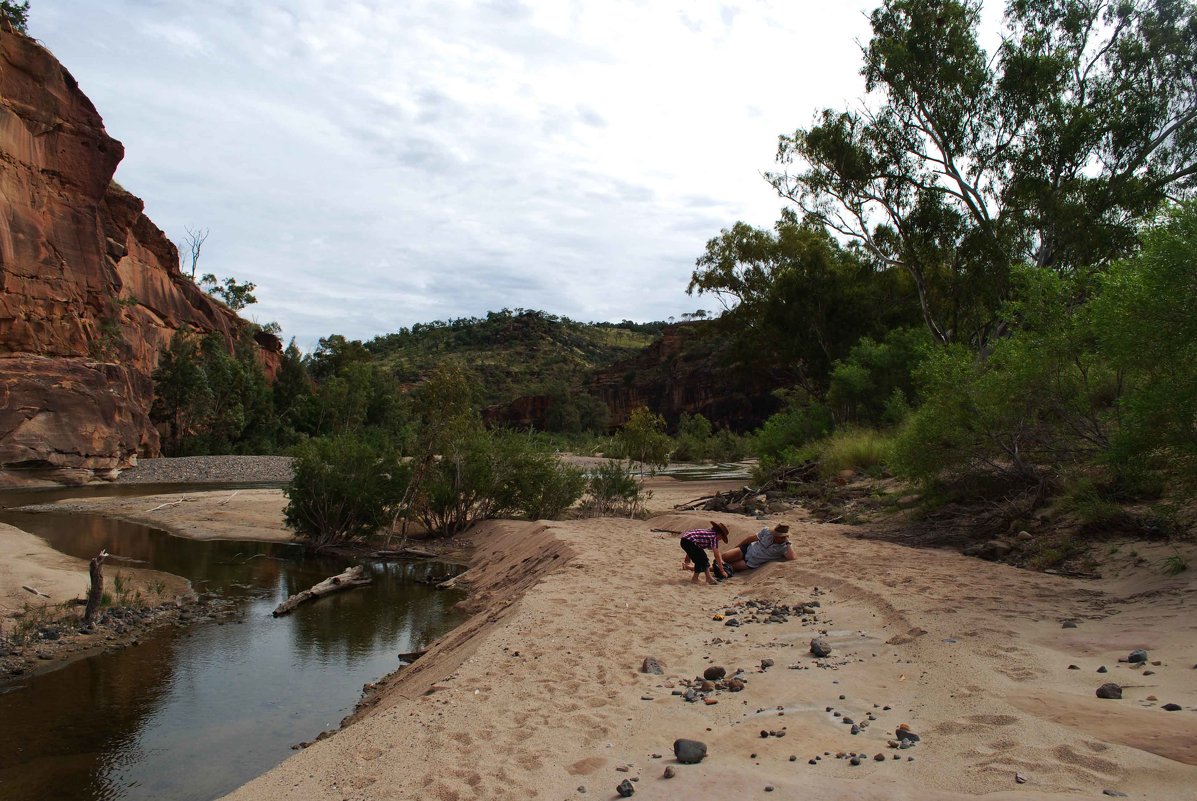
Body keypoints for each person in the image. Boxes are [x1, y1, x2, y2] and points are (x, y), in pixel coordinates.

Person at [721, 523, 796, 572]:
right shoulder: (767, 531)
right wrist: (737, 547)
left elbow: (791, 557)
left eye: (778, 536)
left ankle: (712, 569)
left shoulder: (785, 546)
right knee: (725, 556)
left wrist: (788, 542)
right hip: (748, 549)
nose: (775, 536)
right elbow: (751, 538)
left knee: (728, 567)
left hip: (752, 562)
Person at [679, 521, 729, 585]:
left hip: (685, 540)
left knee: (703, 558)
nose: (720, 539)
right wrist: (722, 570)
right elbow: (716, 555)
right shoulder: (714, 537)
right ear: (720, 534)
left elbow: (695, 543)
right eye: (722, 538)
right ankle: (695, 578)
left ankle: (708, 578)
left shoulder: (708, 532)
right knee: (701, 560)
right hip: (689, 541)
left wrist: (688, 556)